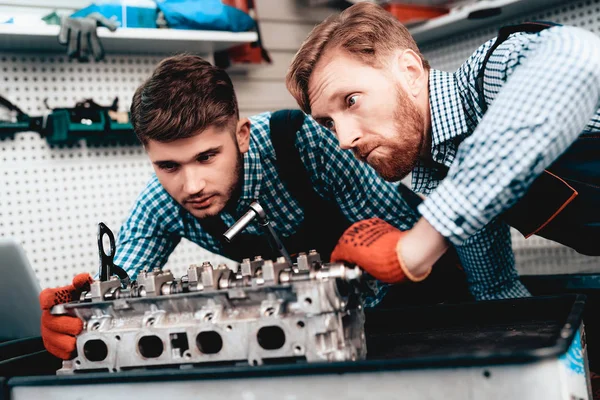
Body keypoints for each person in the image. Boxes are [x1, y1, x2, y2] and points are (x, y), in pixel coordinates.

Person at [40, 54, 467, 360]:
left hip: (426, 301)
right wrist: (79, 317)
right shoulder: (160, 203)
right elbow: (122, 291)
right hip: (313, 338)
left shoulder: (304, 142)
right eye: (168, 165)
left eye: (207, 157)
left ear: (241, 135)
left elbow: (400, 232)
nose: (191, 185)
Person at [285, 3, 600, 301]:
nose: (344, 139)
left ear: (409, 71)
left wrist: (419, 244)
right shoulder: (444, 175)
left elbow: (578, 54)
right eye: (328, 123)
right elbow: (496, 290)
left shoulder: (490, 78)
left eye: (351, 101)